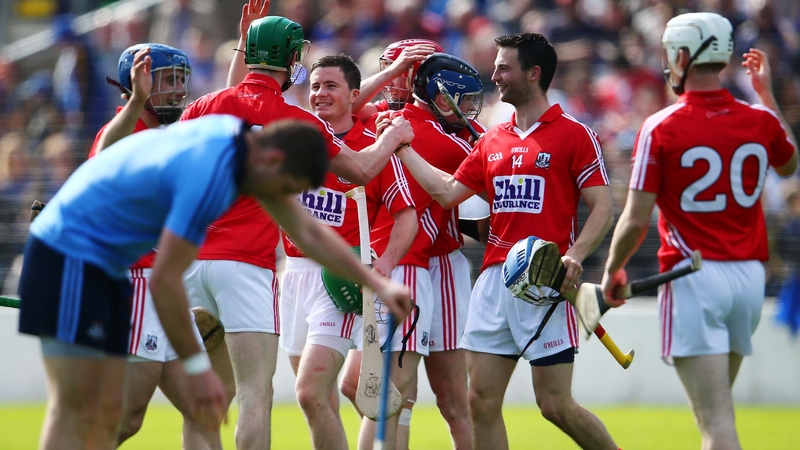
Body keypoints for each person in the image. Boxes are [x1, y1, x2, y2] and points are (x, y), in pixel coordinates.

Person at [18, 115, 413, 450]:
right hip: (70, 252)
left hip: (110, 263)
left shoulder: (241, 141)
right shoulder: (209, 173)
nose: (284, 202)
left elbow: (306, 232)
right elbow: (167, 283)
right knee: (76, 408)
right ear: (275, 161)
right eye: (288, 190)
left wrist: (377, 284)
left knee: (156, 412)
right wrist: (196, 366)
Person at [179, 10, 414, 449]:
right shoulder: (294, 123)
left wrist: (243, 40)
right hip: (247, 267)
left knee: (205, 401)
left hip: (189, 260)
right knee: (254, 395)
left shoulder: (203, 107)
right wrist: (394, 134)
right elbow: (362, 169)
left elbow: (233, 104)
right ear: (290, 61)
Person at [392, 33, 618, 450]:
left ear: (533, 74)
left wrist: (575, 255)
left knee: (554, 404)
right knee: (480, 401)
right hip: (494, 282)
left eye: (504, 67)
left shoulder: (574, 135)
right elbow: (446, 193)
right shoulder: (492, 139)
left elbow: (603, 207)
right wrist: (402, 148)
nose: (494, 74)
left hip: (543, 279)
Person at [600, 13, 798, 450]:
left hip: (692, 277)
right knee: (719, 413)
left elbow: (635, 219)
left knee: (716, 424)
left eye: (671, 54)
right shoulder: (759, 119)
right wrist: (766, 96)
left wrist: (614, 269)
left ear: (684, 55)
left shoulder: (660, 126)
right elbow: (789, 164)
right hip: (748, 279)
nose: (667, 63)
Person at [87, 42, 222, 447]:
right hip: (134, 284)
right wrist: (138, 102)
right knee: (125, 419)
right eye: (168, 80)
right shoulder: (124, 131)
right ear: (136, 84)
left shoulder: (168, 136)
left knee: (205, 411)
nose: (178, 90)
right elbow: (103, 158)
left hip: (164, 286)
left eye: (182, 80)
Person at [281, 53, 418, 450]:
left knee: (309, 391)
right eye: (315, 86)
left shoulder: (371, 151)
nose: (320, 94)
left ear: (354, 95)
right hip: (291, 276)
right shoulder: (298, 138)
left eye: (331, 86)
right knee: (317, 400)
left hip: (336, 282)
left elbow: (406, 215)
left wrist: (384, 265)